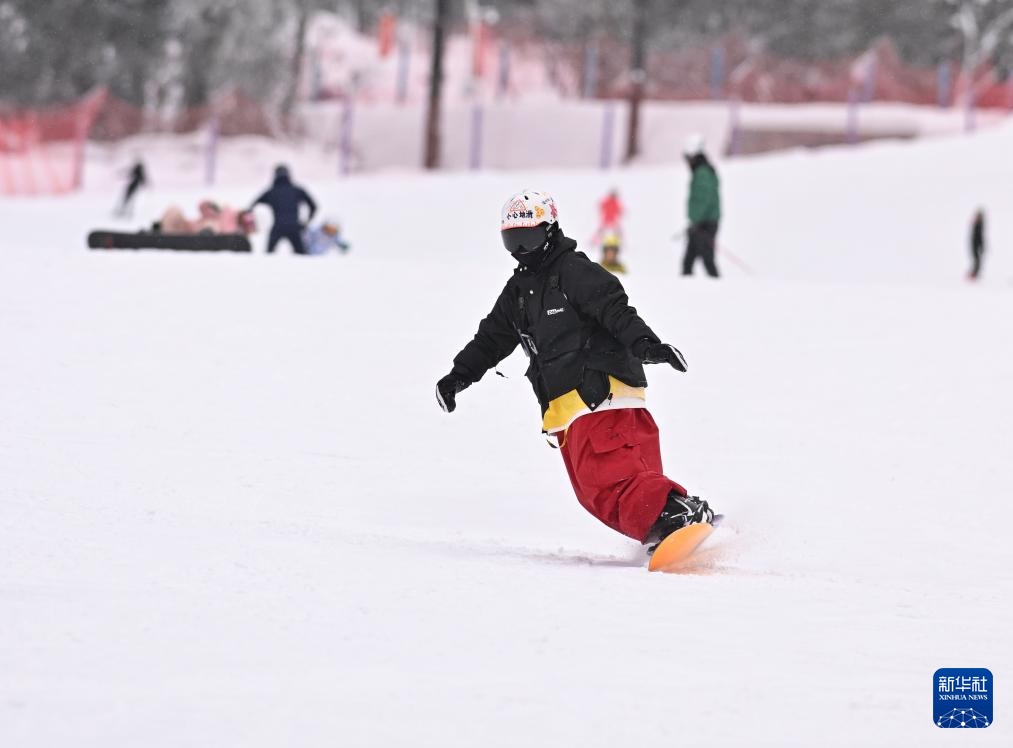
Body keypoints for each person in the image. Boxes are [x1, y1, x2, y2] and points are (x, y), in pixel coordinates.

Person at [435, 190, 715, 551]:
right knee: (610, 487)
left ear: (550, 231)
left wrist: (647, 345)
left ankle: (676, 513)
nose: (522, 251)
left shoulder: (574, 272)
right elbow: (491, 339)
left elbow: (616, 311)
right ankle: (670, 520)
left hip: (597, 393)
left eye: (528, 239)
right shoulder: (519, 292)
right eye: (512, 241)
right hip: (576, 407)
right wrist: (458, 376)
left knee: (605, 485)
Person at [250, 165, 317, 254]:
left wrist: (255, 223)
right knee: (302, 257)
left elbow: (253, 205)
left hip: (278, 227)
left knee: (268, 257)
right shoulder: (297, 190)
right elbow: (314, 206)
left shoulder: (271, 192)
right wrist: (306, 222)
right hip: (294, 227)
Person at [682, 134, 720, 278]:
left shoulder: (702, 173)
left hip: (704, 224)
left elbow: (704, 199)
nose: (687, 162)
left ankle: (721, 288)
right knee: (689, 260)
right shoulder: (702, 171)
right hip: (702, 223)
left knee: (706, 259)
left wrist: (696, 220)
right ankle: (685, 287)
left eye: (687, 158)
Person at [969, 209, 986, 280]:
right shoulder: (976, 224)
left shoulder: (980, 224)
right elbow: (975, 236)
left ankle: (975, 274)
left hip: (978, 244)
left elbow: (981, 236)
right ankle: (973, 274)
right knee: (976, 259)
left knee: (978, 260)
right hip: (974, 244)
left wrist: (982, 245)